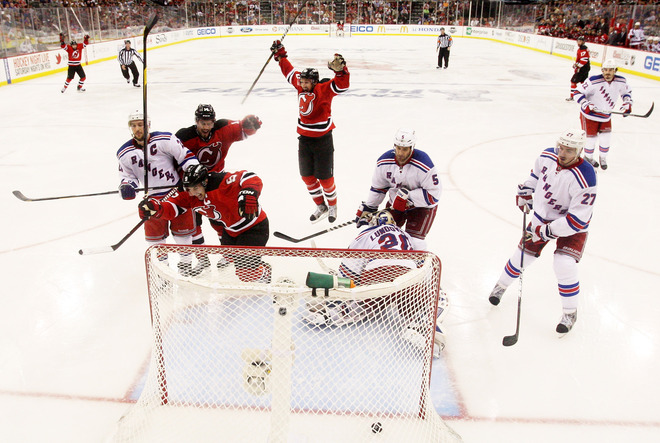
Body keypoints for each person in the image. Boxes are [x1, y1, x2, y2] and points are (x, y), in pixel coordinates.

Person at [488, 129, 597, 335]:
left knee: (564, 264)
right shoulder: (547, 156)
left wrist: (546, 231)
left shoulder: (586, 176)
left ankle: (569, 312)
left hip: (572, 227)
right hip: (540, 219)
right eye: (561, 147)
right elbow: (535, 177)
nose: (562, 153)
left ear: (579, 150)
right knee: (521, 257)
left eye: (569, 150)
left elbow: (577, 219)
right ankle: (501, 286)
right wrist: (526, 192)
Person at [304, 209, 448, 357]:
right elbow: (419, 265)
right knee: (433, 296)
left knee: (363, 303)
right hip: (406, 276)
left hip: (376, 276)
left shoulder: (364, 235)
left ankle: (328, 314)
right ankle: (423, 324)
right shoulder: (405, 235)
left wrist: (345, 282)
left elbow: (350, 271)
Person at [138, 164, 272, 283]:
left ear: (205, 181)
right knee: (230, 259)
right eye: (189, 189)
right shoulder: (189, 195)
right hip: (231, 231)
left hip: (254, 227)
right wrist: (155, 208)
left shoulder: (221, 182)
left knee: (246, 274)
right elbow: (171, 208)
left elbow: (249, 177)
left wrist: (249, 193)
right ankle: (255, 266)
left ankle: (265, 273)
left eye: (196, 187)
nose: (193, 193)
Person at [270, 39, 350, 224]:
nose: (303, 85)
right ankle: (320, 205)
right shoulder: (299, 85)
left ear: (314, 82)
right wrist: (280, 55)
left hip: (323, 140)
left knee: (325, 178)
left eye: (307, 82)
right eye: (302, 82)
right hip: (304, 140)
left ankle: (332, 206)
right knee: (307, 176)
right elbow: (289, 72)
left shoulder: (324, 89)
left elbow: (342, 85)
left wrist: (340, 71)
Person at [175, 104, 262, 269]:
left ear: (214, 122)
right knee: (194, 223)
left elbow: (244, 130)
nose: (206, 127)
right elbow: (170, 154)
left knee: (220, 220)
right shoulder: (184, 136)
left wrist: (251, 125)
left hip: (215, 182)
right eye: (202, 123)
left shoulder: (223, 127)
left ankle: (227, 255)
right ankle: (202, 259)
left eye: (209, 123)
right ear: (196, 121)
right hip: (192, 186)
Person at [117, 110, 200, 274]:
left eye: (140, 125)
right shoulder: (124, 153)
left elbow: (186, 157)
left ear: (148, 125)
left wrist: (193, 174)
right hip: (152, 200)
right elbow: (127, 177)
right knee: (157, 240)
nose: (137, 129)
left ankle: (186, 269)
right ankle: (164, 272)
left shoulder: (165, 139)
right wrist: (127, 186)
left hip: (176, 193)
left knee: (182, 236)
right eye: (134, 126)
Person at [355, 128, 441, 251]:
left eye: (405, 149)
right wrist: (369, 208)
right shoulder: (384, 162)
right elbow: (379, 188)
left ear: (412, 147)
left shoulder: (424, 165)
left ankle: (419, 264)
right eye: (398, 148)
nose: (400, 153)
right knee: (382, 233)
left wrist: (409, 198)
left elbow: (434, 195)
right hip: (395, 204)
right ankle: (385, 264)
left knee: (415, 243)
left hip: (422, 208)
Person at [573, 58, 633, 170]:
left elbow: (626, 93)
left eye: (610, 70)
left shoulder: (621, 81)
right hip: (589, 116)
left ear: (615, 70)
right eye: (605, 70)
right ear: (602, 70)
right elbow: (577, 92)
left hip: (605, 116)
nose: (607, 72)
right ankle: (588, 157)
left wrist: (627, 103)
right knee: (591, 139)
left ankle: (603, 157)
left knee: (606, 138)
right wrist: (586, 104)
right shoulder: (593, 80)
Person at [566, 36, 590, 101]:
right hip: (585, 68)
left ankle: (573, 96)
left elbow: (584, 60)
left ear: (583, 41)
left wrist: (577, 66)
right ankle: (584, 96)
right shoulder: (583, 48)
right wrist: (576, 64)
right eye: (578, 41)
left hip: (582, 69)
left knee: (573, 82)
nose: (578, 42)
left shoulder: (583, 49)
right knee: (583, 82)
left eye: (580, 41)